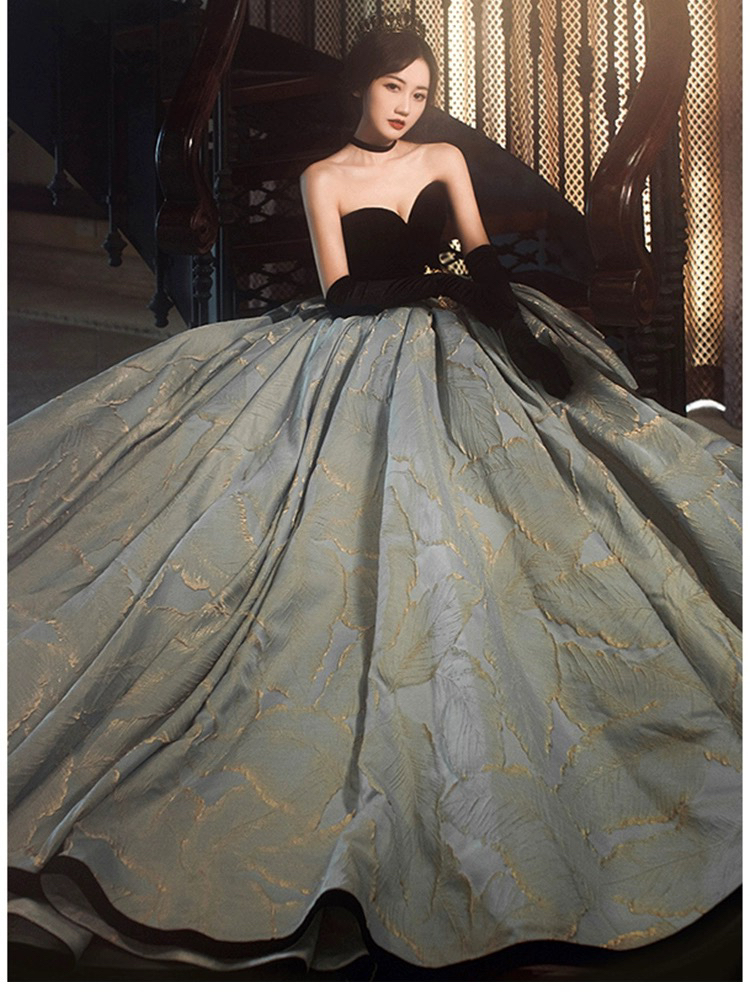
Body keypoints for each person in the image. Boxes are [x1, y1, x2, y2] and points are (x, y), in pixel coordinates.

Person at [8, 20, 741, 976]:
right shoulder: (322, 177)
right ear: (360, 86)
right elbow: (344, 293)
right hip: (358, 342)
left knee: (565, 487)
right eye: (393, 87)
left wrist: (517, 334)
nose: (406, 105)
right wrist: (437, 288)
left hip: (461, 336)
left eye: (420, 92)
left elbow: (483, 262)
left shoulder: (443, 159)